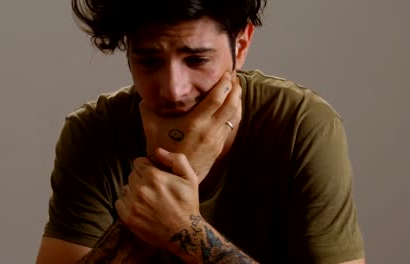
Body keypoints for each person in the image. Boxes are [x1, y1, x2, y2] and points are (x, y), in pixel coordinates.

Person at [36, 0, 366, 263]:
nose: (173, 90)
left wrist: (186, 232)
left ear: (241, 44)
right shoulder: (94, 132)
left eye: (196, 60)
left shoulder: (300, 125)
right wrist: (172, 176)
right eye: (149, 62)